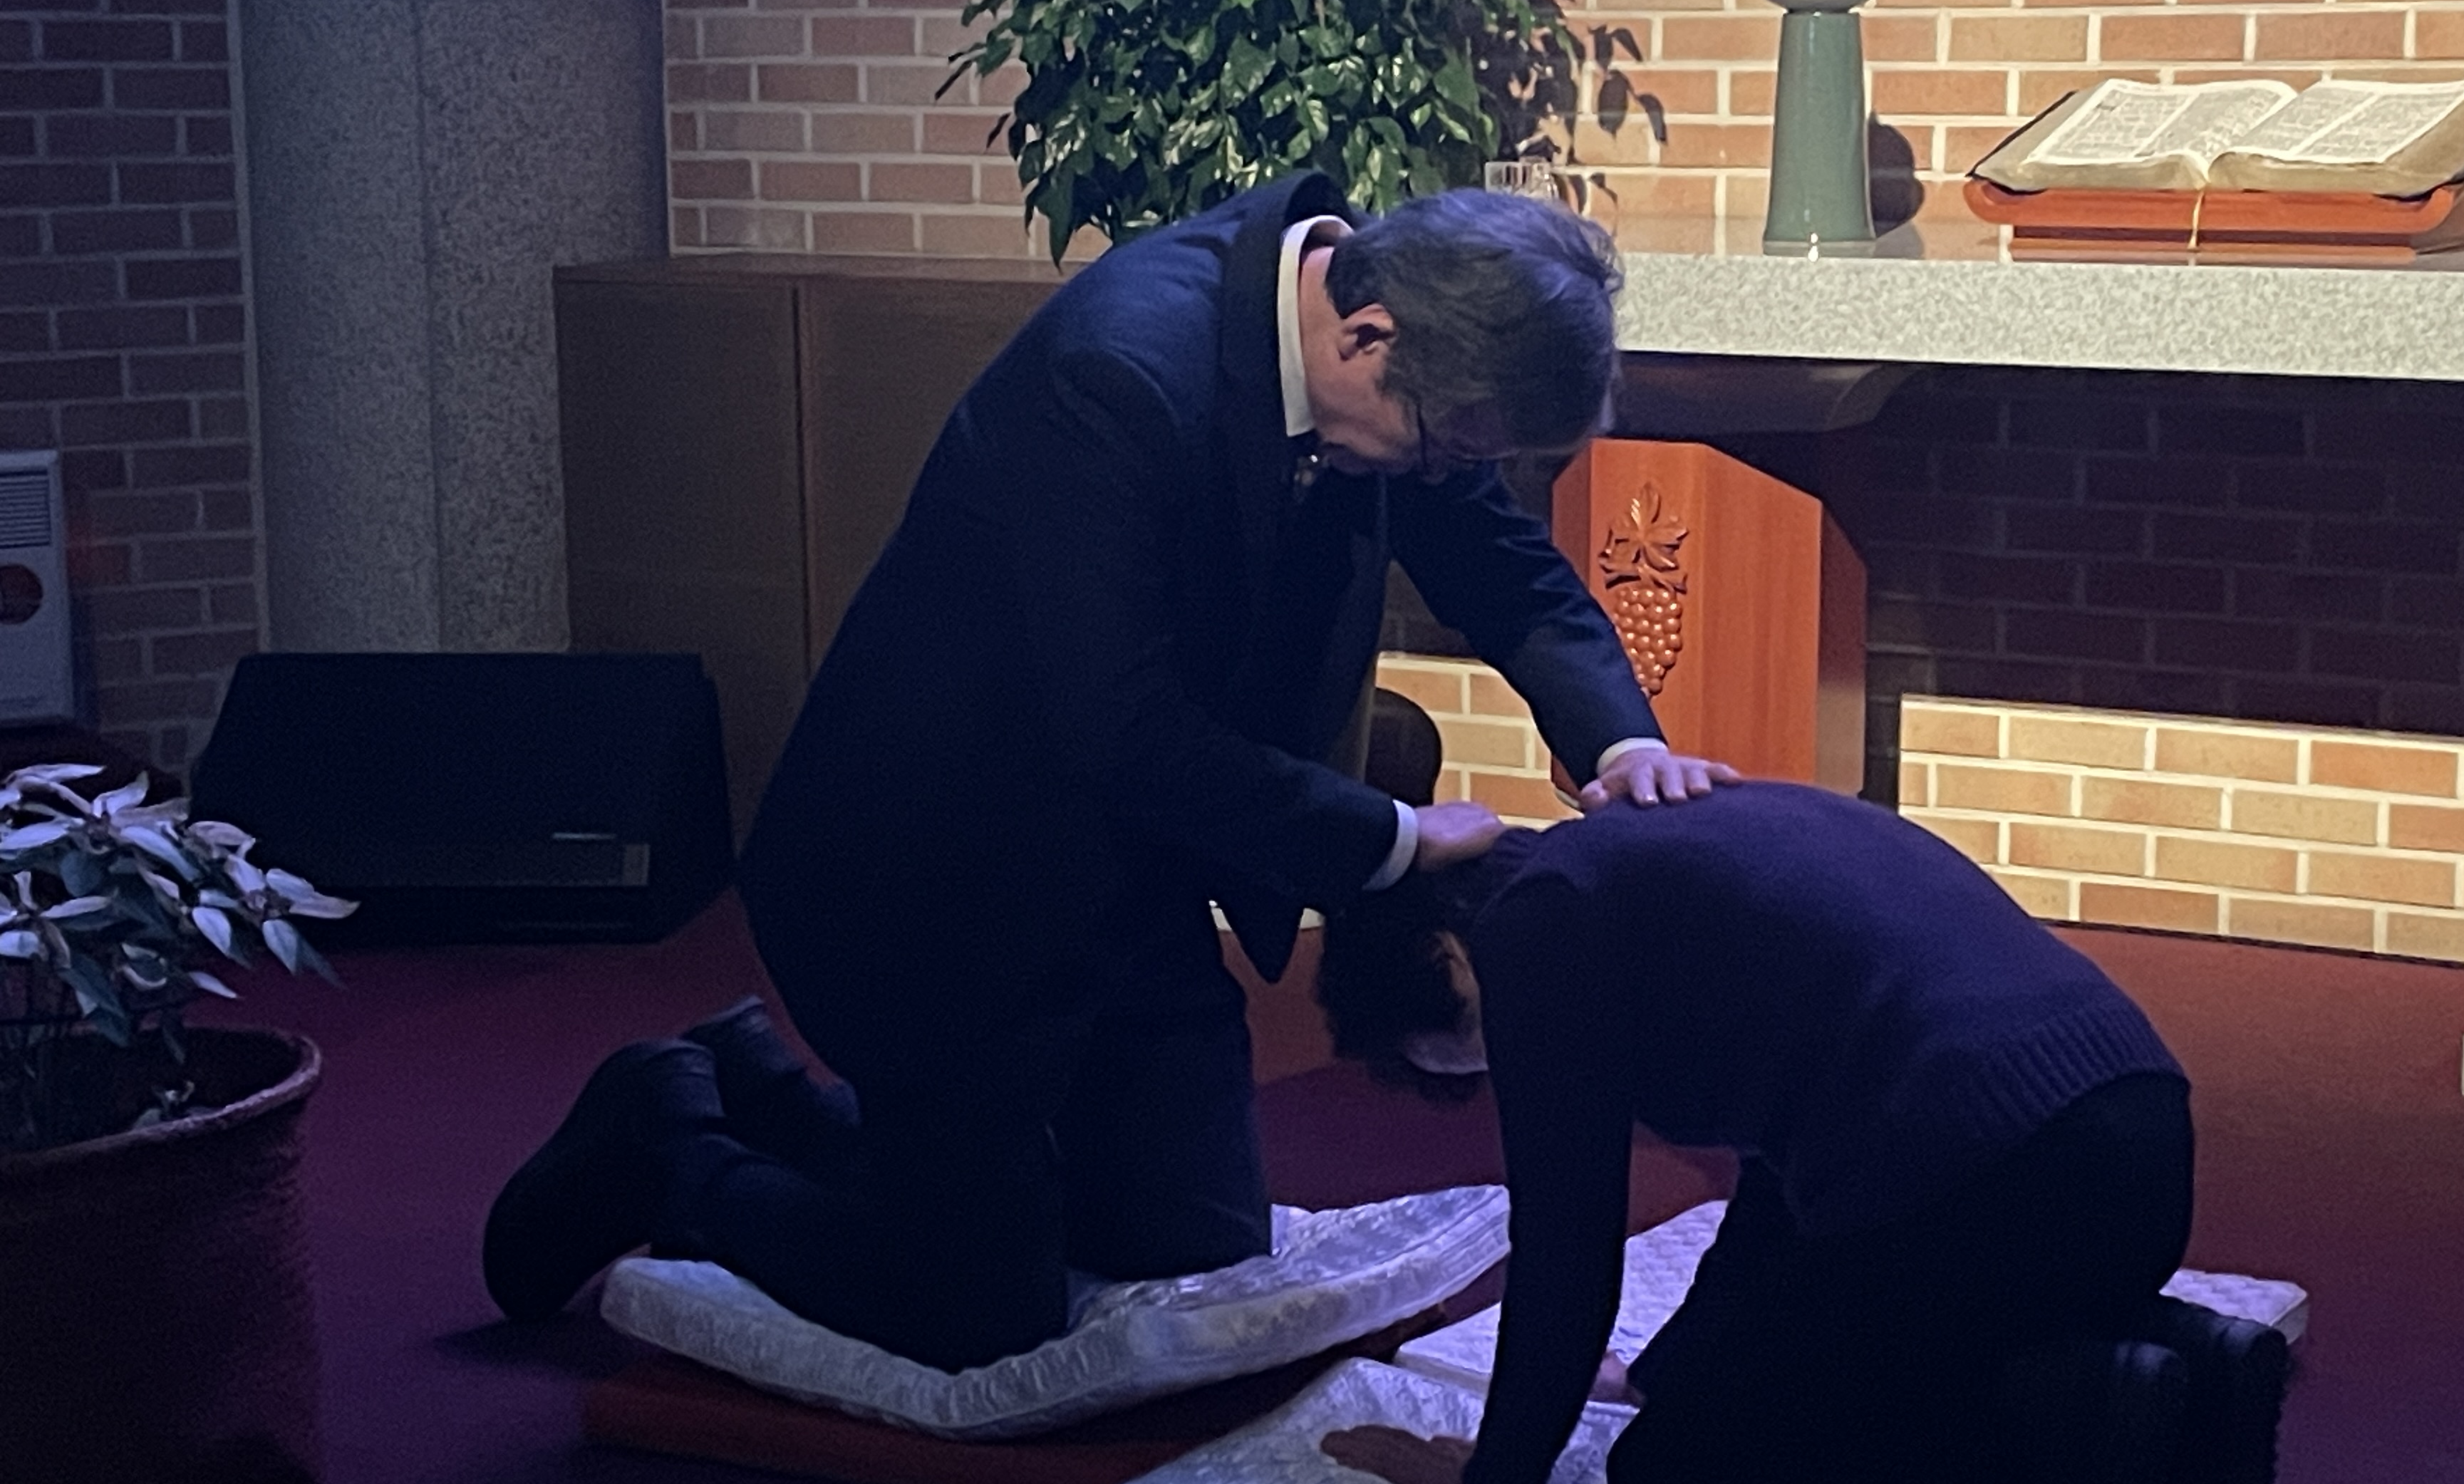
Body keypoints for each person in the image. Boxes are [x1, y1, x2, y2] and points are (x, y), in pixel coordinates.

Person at [481, 177, 1734, 1369]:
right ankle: (673, 1139)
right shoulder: (1122, 369)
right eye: (1448, 449)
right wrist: (1392, 838)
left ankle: (771, 1095)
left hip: (1124, 859)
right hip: (929, 875)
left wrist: (1624, 746)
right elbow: (1120, 727)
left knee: (1193, 1247)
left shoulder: (1399, 362)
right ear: (1366, 337)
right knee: (981, 1309)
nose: (1447, 477)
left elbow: (1505, 570)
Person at [1312, 782, 2289, 1484]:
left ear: (1443, 953)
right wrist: (1673, 1369)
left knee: (1675, 1474)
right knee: (1745, 1387)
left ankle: (2084, 1424)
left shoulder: (1534, 931)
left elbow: (1568, 1241)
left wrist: (1497, 1475)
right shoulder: (1660, 841)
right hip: (2132, 1151)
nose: (1507, 1068)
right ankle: (2186, 1355)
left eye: (1477, 1045)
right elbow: (1781, 1178)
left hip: (1992, 1186)